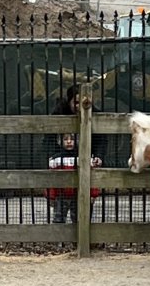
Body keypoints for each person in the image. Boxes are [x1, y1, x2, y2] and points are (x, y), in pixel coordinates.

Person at [45, 84, 106, 224]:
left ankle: (84, 228)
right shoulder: (59, 113)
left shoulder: (95, 113)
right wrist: (54, 156)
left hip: (86, 159)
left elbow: (101, 139)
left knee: (83, 211)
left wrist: (99, 156)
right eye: (76, 102)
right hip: (62, 162)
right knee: (59, 212)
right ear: (69, 101)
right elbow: (48, 137)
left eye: (83, 102)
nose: (79, 107)